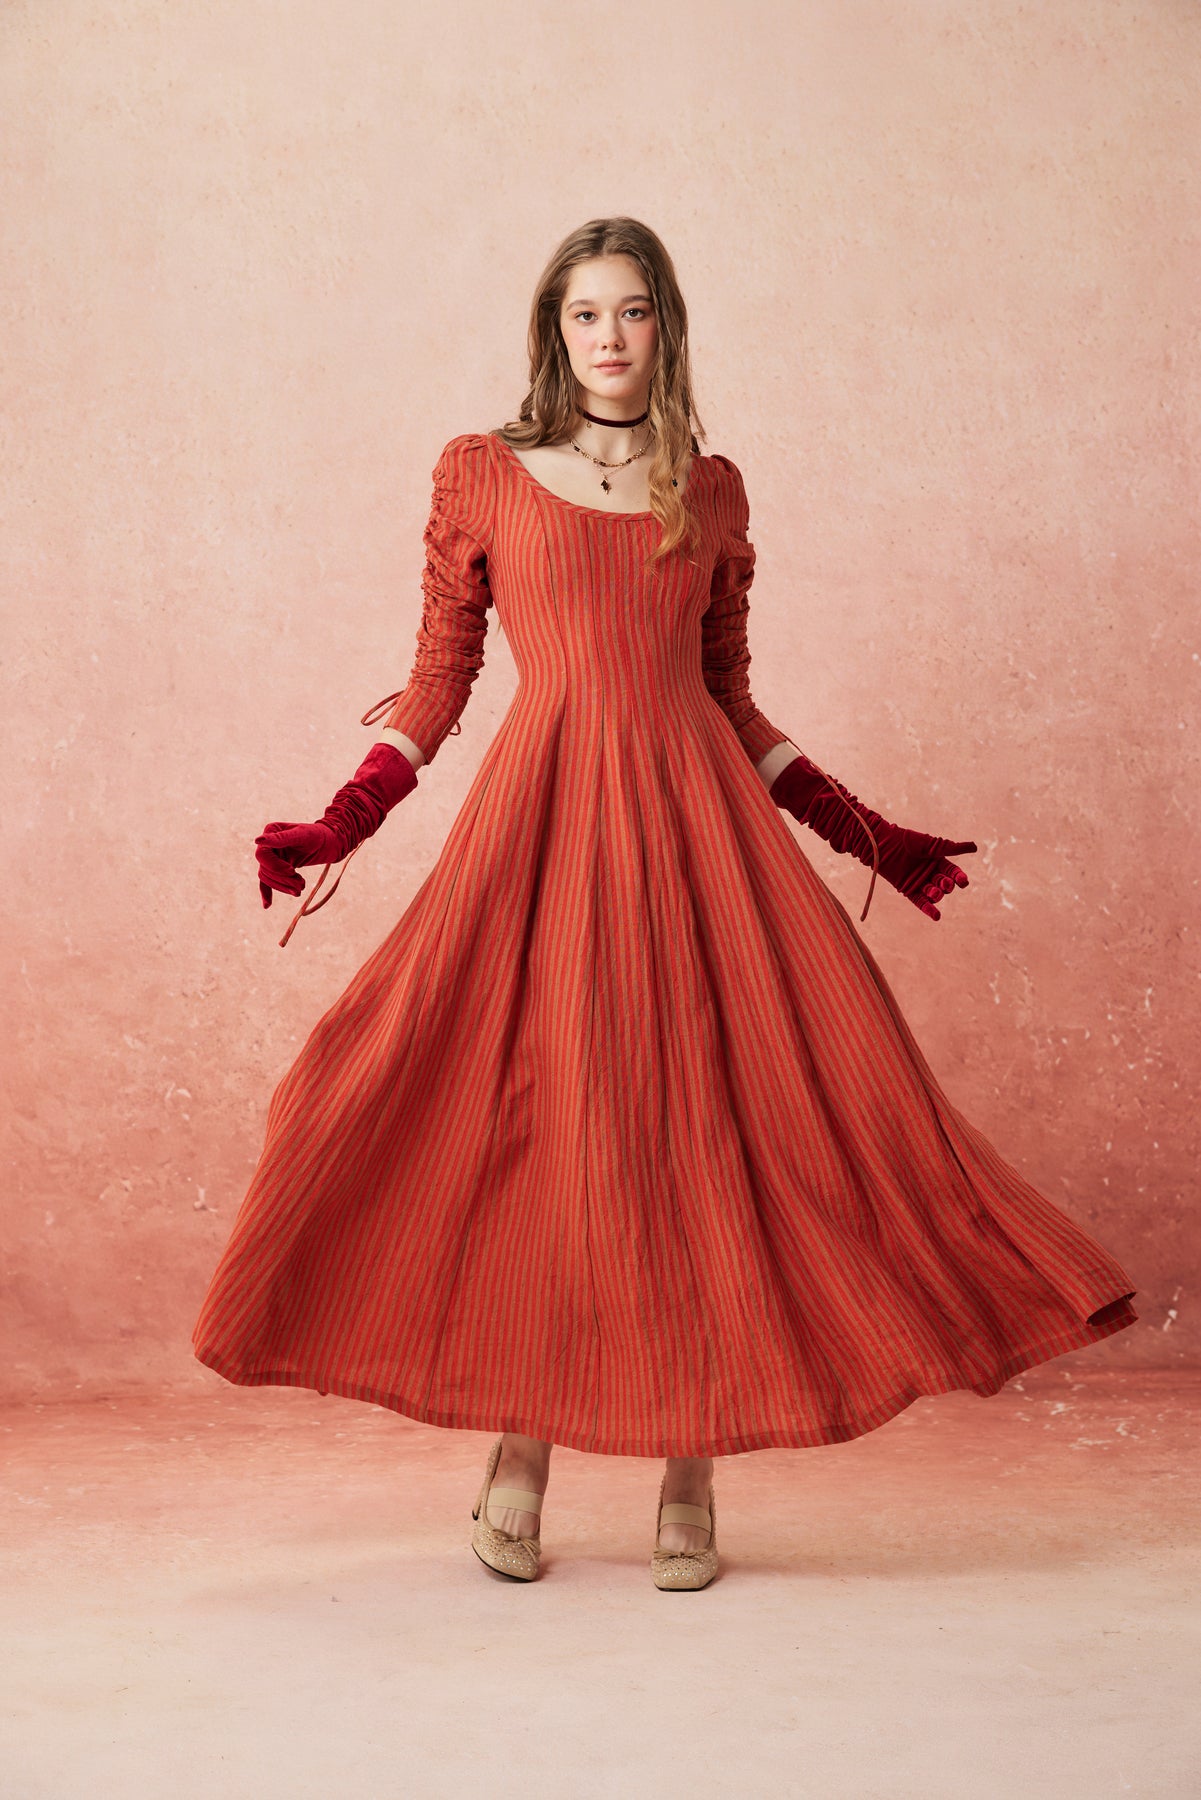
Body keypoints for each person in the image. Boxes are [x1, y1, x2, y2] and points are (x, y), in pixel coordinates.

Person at [192, 216, 1138, 1592]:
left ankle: (690, 1467)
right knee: (531, 1128)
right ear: (552, 331)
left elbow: (730, 702)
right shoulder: (482, 474)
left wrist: (869, 838)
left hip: (699, 838)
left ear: (665, 326)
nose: (609, 336)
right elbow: (443, 682)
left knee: (707, 1124)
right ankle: (518, 1452)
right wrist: (342, 819)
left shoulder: (712, 490)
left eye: (631, 311)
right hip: (543, 829)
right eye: (584, 314)